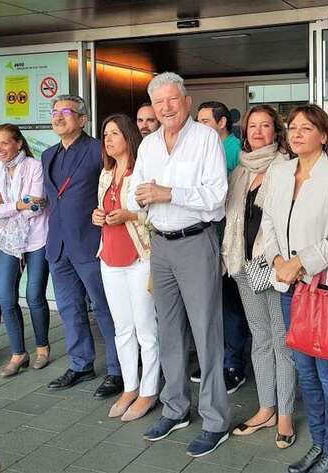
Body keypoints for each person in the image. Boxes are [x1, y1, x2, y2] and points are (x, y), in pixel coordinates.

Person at [128, 72, 230, 457]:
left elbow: (216, 196)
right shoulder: (149, 144)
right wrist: (144, 197)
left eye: (172, 100)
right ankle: (176, 408)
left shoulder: (206, 139)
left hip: (195, 242)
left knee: (206, 333)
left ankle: (216, 420)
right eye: (158, 103)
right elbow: (136, 189)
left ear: (186, 101)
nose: (166, 108)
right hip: (161, 245)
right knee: (168, 331)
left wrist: (167, 193)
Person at [260, 104, 328, 473]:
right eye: (292, 128)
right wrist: (277, 262)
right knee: (304, 369)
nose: (297, 133)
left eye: (306, 128)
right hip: (289, 286)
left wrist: (298, 263)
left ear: (324, 135)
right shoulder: (281, 172)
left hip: (324, 287)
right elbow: (268, 221)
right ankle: (318, 445)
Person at [221, 105, 296, 448]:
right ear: (245, 132)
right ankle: (266, 407)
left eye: (266, 126)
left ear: (276, 132)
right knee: (261, 339)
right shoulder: (240, 171)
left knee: (282, 342)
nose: (259, 131)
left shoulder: (287, 166)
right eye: (253, 126)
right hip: (243, 265)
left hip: (275, 266)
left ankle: (285, 415)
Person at [42, 95, 123, 399]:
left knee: (105, 309)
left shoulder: (98, 151)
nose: (58, 117)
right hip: (58, 245)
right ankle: (81, 364)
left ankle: (118, 370)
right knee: (69, 309)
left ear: (83, 119)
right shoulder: (47, 154)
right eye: (55, 112)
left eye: (66, 112)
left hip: (90, 243)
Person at [93, 113, 159, 421]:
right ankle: (130, 386)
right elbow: (105, 210)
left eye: (114, 134)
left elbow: (158, 215)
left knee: (146, 328)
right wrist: (98, 215)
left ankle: (149, 390)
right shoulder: (106, 174)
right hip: (110, 257)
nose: (107, 139)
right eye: (105, 134)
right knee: (123, 328)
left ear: (128, 137)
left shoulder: (142, 171)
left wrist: (130, 216)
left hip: (139, 258)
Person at [0, 124, 51, 378]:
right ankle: (18, 353)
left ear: (18, 143)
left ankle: (42, 348)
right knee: (4, 296)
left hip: (36, 237)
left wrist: (7, 204)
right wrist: (18, 204)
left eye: (5, 143)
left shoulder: (34, 167)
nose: (0, 148)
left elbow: (36, 206)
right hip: (8, 239)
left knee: (34, 295)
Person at [194, 100, 247, 393]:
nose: (198, 126)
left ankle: (233, 365)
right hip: (204, 239)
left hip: (228, 241)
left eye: (204, 121)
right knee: (210, 305)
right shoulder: (202, 149)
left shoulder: (235, 150)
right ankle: (214, 360)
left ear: (221, 122)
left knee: (230, 306)